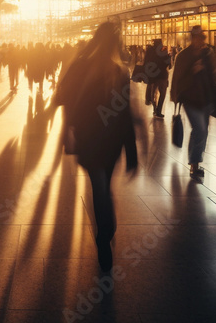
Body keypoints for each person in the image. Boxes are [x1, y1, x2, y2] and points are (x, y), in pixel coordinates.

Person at [51, 22, 138, 272]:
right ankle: (105, 232)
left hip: (89, 138)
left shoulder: (82, 66)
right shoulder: (119, 71)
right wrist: (131, 151)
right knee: (103, 185)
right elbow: (124, 114)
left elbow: (62, 97)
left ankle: (105, 232)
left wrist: (69, 128)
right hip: (110, 140)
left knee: (100, 185)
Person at [170, 26, 216, 178]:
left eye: (202, 38)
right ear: (192, 38)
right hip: (190, 99)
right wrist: (193, 71)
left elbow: (213, 75)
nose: (200, 41)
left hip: (206, 99)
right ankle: (194, 163)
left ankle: (195, 162)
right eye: (198, 38)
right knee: (200, 130)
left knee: (202, 131)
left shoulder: (207, 54)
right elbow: (177, 77)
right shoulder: (184, 55)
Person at [143, 39, 171, 118]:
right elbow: (168, 65)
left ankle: (155, 109)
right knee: (162, 94)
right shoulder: (163, 52)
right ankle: (158, 110)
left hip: (154, 76)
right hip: (162, 76)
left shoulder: (150, 52)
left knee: (153, 93)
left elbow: (146, 62)